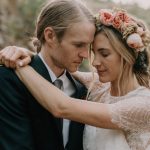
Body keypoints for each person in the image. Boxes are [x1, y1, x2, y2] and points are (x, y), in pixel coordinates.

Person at [1, 9, 150, 150]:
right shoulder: (97, 86)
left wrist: (20, 66)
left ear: (128, 57)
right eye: (94, 53)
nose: (94, 62)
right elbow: (54, 66)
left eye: (104, 54)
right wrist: (26, 54)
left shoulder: (144, 105)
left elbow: (62, 107)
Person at [0, 0, 95, 150]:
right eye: (78, 45)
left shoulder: (82, 88)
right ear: (50, 36)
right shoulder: (8, 79)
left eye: (88, 46)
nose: (85, 54)